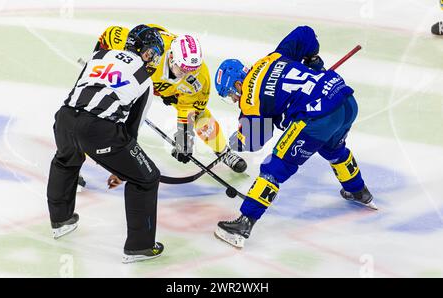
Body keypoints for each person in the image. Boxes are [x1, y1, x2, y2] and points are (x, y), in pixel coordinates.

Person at [213, 26, 377, 248]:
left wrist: (236, 140)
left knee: (275, 166)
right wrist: (313, 60)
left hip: (316, 116)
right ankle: (358, 191)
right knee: (333, 149)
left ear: (238, 83)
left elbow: (254, 141)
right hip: (344, 100)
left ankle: (244, 223)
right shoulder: (273, 57)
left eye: (231, 94)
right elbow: (305, 33)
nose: (234, 100)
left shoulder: (249, 101)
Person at [47, 25, 165, 263]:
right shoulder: (145, 79)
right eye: (152, 53)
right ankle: (140, 246)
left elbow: (78, 92)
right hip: (97, 129)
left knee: (66, 160)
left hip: (64, 119)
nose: (152, 59)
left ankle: (60, 220)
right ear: (144, 51)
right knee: (147, 178)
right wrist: (120, 169)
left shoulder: (101, 55)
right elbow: (130, 131)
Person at [94, 24, 247, 174]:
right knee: (110, 106)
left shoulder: (200, 78)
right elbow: (112, 33)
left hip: (170, 90)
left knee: (201, 116)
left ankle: (223, 151)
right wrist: (97, 64)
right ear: (171, 57)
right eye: (183, 69)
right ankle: (88, 147)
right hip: (139, 75)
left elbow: (190, 108)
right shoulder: (151, 49)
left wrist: (184, 137)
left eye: (192, 70)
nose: (187, 75)